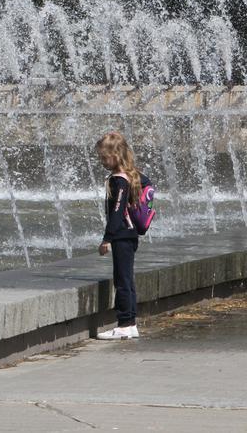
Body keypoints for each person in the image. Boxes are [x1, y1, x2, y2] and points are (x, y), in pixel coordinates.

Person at [95, 131, 143, 339]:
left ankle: (124, 324)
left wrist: (107, 238)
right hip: (130, 234)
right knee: (127, 280)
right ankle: (131, 323)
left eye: (105, 158)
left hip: (122, 235)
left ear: (116, 155)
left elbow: (116, 212)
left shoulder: (118, 180)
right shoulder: (131, 175)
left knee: (122, 280)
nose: (102, 162)